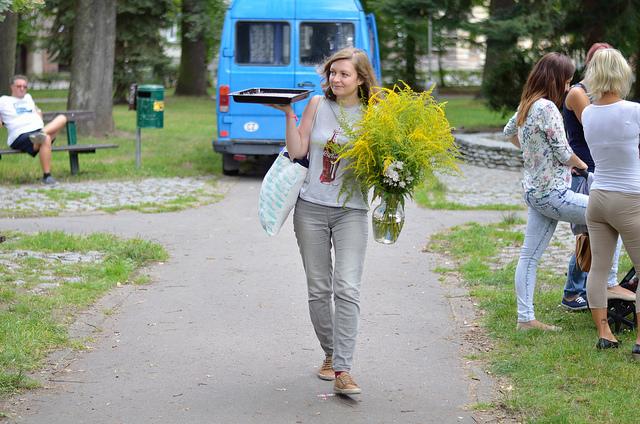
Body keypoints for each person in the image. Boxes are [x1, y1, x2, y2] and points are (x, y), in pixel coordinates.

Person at [267, 48, 376, 394]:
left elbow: (385, 161)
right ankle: (331, 354)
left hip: (351, 211)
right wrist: (288, 114)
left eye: (344, 74)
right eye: (333, 73)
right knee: (318, 290)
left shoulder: (375, 115)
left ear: (361, 78)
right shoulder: (316, 104)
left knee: (347, 288)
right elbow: (298, 151)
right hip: (311, 208)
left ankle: (343, 369)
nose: (336, 79)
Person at [503, 52, 617, 331]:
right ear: (554, 79)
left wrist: (534, 153)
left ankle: (525, 319)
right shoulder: (548, 108)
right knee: (611, 215)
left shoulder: (527, 104)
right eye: (566, 81)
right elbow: (564, 152)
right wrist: (585, 167)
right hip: (555, 194)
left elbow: (508, 131)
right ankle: (610, 284)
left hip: (535, 193)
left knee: (529, 257)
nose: (567, 87)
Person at [560, 43, 635, 310]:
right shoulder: (579, 94)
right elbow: (599, 128)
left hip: (599, 173)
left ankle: (588, 294)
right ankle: (573, 292)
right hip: (587, 173)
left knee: (594, 238)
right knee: (588, 238)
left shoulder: (594, 100)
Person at [581, 48, 640, 352]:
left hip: (598, 198)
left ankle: (605, 334)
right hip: (629, 197)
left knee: (599, 269)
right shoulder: (634, 111)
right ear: (621, 74)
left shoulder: (588, 113)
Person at [0, 75, 67, 184]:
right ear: (11, 87)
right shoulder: (3, 100)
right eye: (19, 86)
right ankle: (47, 176)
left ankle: (41, 134)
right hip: (20, 135)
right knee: (46, 138)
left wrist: (38, 115)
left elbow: (37, 113)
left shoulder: (28, 98)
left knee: (62, 118)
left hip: (38, 131)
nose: (22, 89)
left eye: (25, 86)